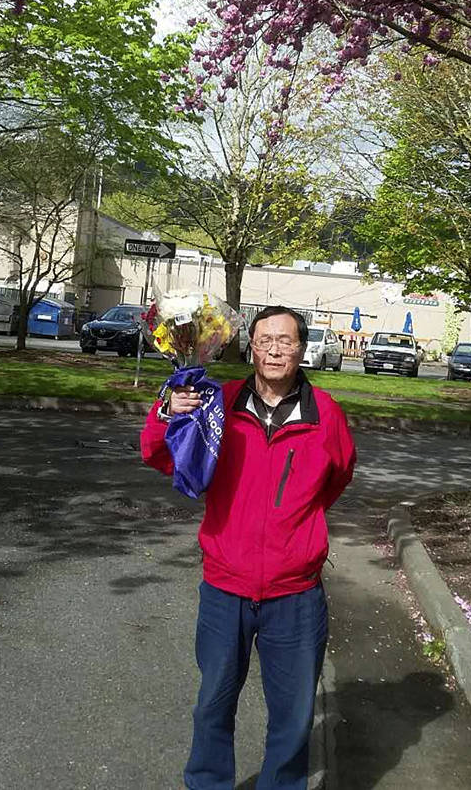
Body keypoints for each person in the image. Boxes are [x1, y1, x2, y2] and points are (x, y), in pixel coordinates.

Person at [140, 305, 356, 790]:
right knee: (212, 704)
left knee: (294, 716)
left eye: (286, 340)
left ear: (302, 347)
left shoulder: (327, 415)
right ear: (250, 346)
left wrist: (299, 530)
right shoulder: (218, 403)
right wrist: (165, 410)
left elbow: (338, 475)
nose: (276, 349)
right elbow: (160, 456)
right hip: (225, 589)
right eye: (265, 340)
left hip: (295, 596)